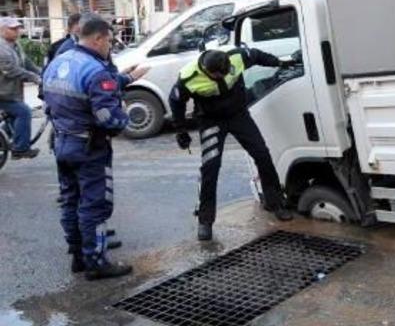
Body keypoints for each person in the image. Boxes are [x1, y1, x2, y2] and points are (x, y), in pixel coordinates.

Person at [42, 15, 148, 280]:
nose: (110, 46)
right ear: (98, 38)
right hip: (89, 149)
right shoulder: (95, 69)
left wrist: (127, 78)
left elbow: (47, 102)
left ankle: (78, 257)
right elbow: (108, 119)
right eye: (109, 40)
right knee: (94, 206)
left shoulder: (59, 62)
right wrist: (123, 116)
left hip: (63, 142)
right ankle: (97, 263)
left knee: (70, 200)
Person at [169, 47, 299, 241]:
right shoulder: (188, 78)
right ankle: (205, 220)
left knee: (262, 154)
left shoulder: (236, 57)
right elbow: (176, 102)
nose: (223, 77)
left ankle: (276, 204)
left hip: (239, 116)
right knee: (210, 168)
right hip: (211, 121)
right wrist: (181, 130)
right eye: (218, 76)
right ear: (207, 70)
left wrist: (280, 63)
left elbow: (256, 56)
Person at [0, 17, 42, 159]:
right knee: (23, 112)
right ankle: (20, 149)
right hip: (3, 93)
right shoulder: (1, 49)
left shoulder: (15, 45)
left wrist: (43, 72)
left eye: (17, 28)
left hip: (10, 92)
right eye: (12, 29)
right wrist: (34, 78)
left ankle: (5, 143)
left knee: (14, 118)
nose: (17, 31)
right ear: (2, 30)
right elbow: (11, 70)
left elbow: (26, 63)